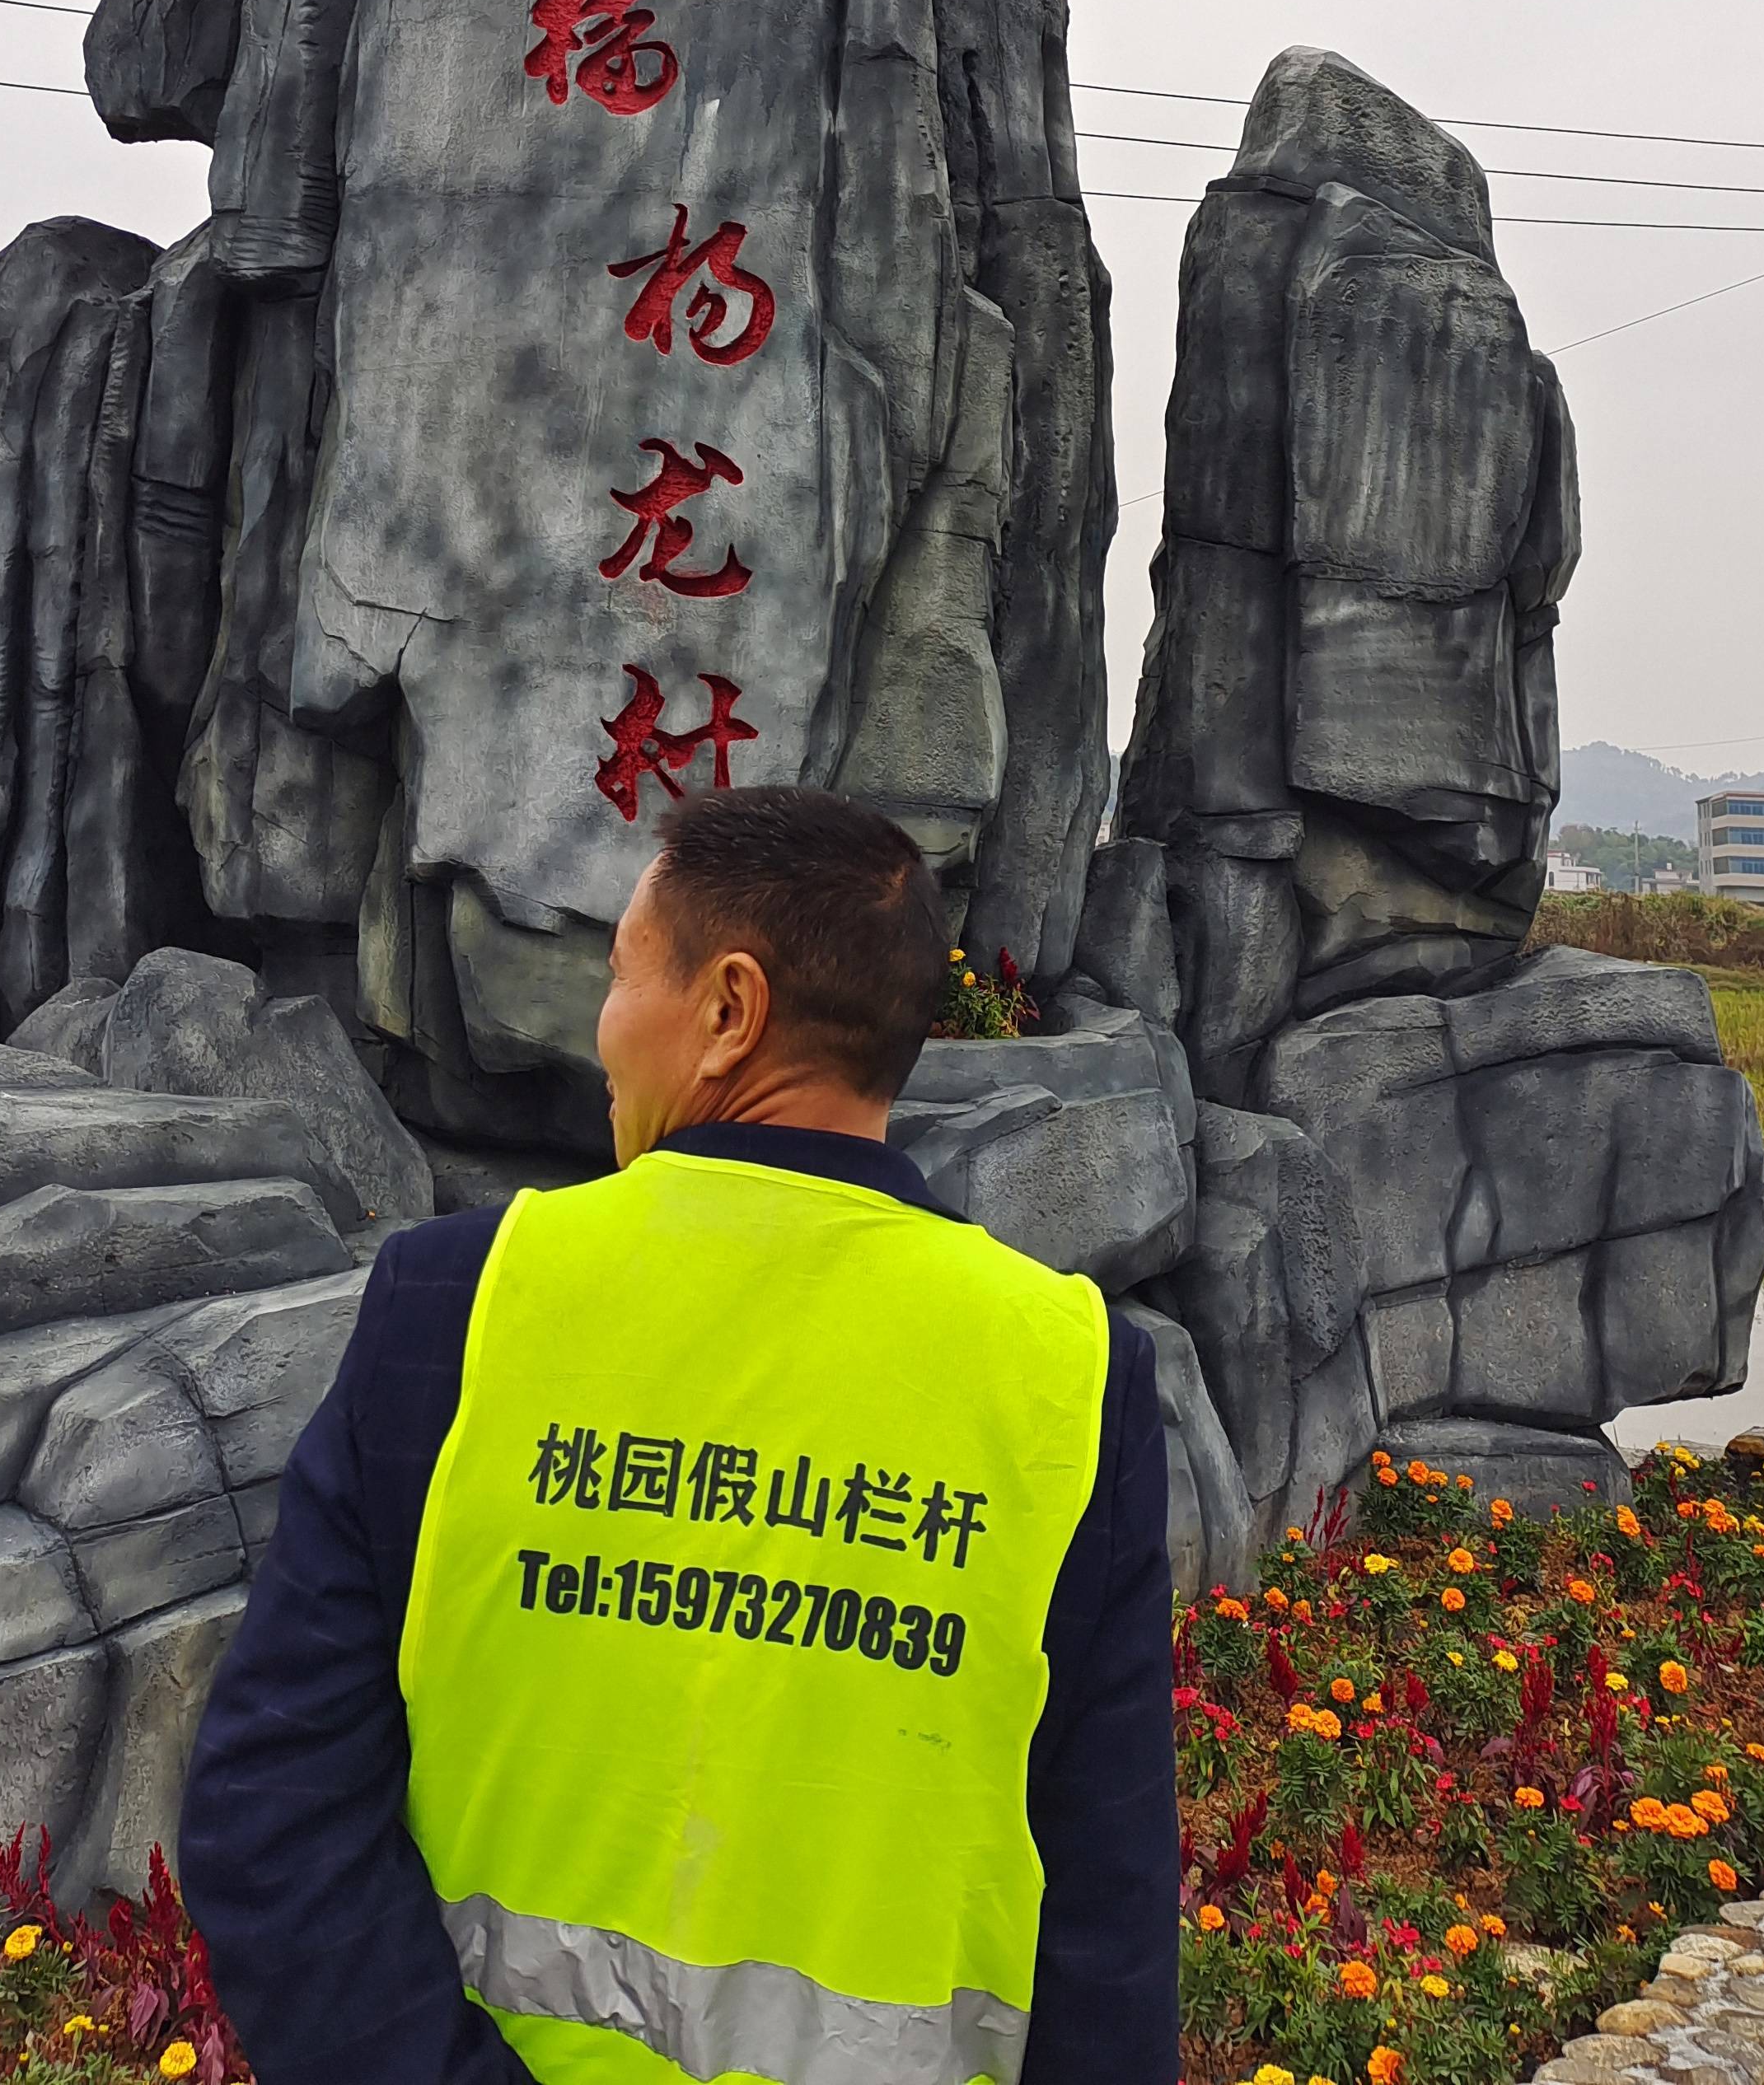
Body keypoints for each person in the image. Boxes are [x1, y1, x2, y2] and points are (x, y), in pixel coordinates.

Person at [178, 784, 1180, 2085]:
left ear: (727, 1013)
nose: (602, 1035)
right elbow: (1108, 1951)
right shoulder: (1069, 1377)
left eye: (619, 978)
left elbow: (273, 1815)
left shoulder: (461, 1308)